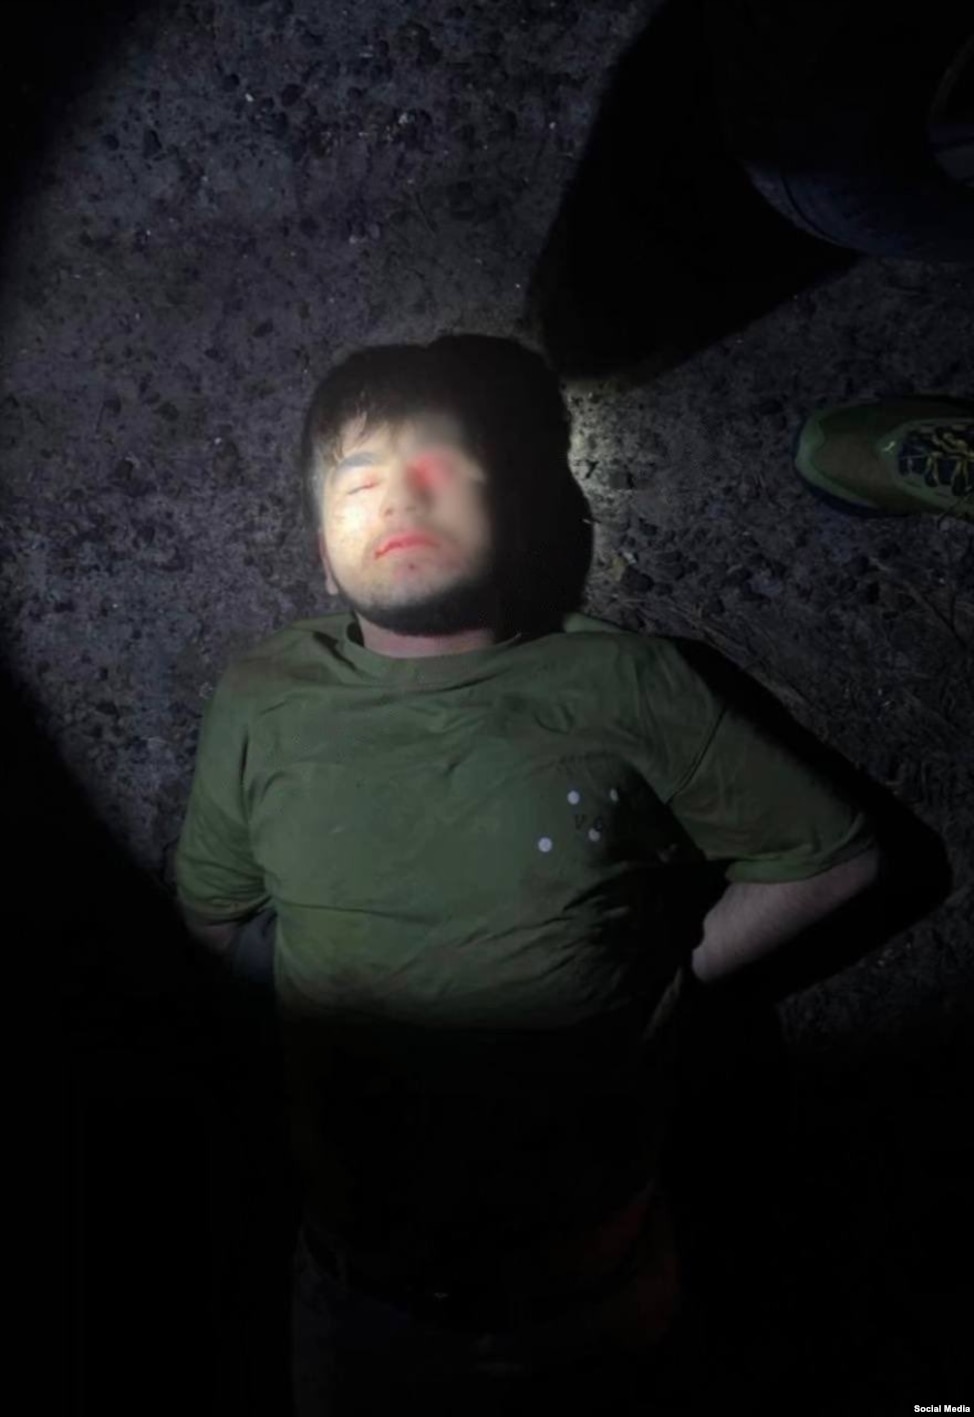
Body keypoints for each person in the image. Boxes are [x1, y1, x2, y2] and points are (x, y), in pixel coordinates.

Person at [174, 337, 887, 1415]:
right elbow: (215, 913)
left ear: (515, 516)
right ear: (322, 558)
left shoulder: (625, 682)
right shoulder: (263, 696)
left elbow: (834, 858)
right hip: (357, 1303)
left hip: (592, 1294)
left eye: (442, 472)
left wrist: (664, 981)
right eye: (360, 484)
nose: (401, 498)